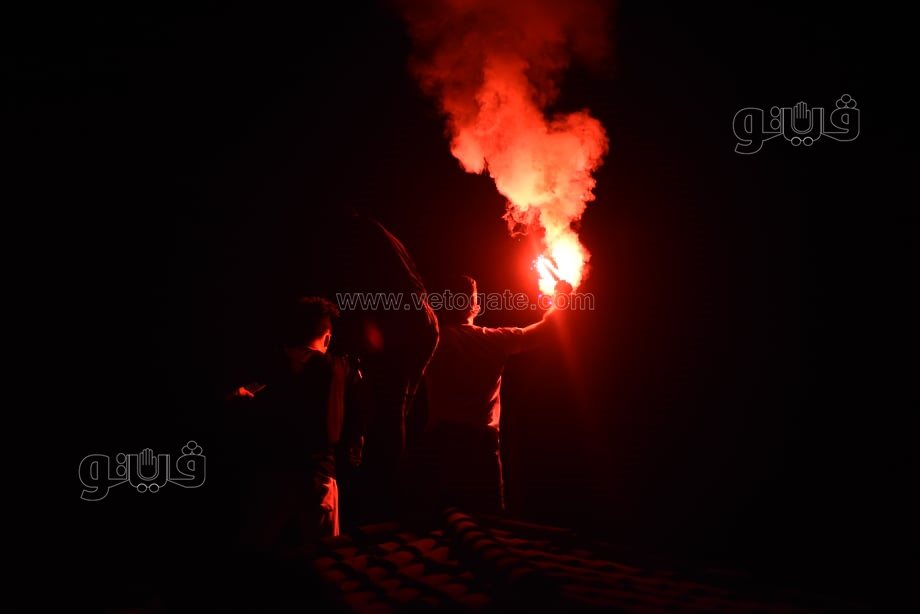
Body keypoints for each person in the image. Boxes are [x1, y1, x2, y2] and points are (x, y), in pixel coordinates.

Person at [420, 275, 572, 513]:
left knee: (437, 525)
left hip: (442, 444)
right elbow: (545, 332)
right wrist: (561, 299)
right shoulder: (493, 341)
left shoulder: (432, 342)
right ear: (476, 306)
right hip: (481, 448)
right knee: (487, 526)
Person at [227, 296, 364, 556]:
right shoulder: (339, 368)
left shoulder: (267, 365)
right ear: (327, 335)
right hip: (319, 475)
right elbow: (355, 416)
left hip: (271, 471)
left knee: (254, 547)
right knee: (327, 556)